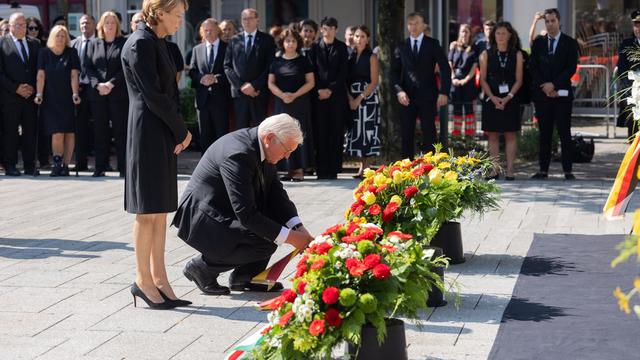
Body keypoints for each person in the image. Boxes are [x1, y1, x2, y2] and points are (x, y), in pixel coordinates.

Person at [173, 114, 314, 295]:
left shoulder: (261, 146)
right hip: (201, 218)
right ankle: (203, 268)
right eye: (287, 150)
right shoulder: (238, 153)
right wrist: (292, 238)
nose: (287, 157)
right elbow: (246, 214)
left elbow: (276, 194)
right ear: (269, 138)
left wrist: (298, 227)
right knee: (266, 239)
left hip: (221, 209)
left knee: (272, 228)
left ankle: (245, 277)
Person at [121, 0, 192, 309]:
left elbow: (170, 93)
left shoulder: (158, 42)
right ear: (159, 12)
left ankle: (160, 279)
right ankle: (142, 280)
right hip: (147, 132)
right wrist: (181, 130)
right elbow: (153, 95)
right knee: (146, 210)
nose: (180, 21)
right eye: (176, 15)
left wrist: (176, 129)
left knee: (160, 210)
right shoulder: (139, 44)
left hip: (161, 129)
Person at [391, 12, 450, 159]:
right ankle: (407, 171)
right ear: (407, 26)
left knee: (429, 133)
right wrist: (399, 91)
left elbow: (445, 68)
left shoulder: (433, 44)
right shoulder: (401, 46)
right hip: (407, 97)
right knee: (406, 134)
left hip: (428, 96)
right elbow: (393, 72)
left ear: (423, 25)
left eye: (417, 23)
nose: (413, 27)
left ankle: (431, 169)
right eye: (410, 23)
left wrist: (444, 92)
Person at [530, 8, 578, 180]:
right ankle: (543, 170)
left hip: (562, 95)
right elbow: (533, 67)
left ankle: (568, 170)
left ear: (559, 22)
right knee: (545, 133)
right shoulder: (538, 43)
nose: (550, 24)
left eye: (553, 21)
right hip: (543, 95)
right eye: (547, 21)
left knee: (565, 133)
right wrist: (545, 86)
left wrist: (554, 85)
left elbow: (571, 68)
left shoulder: (570, 43)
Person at [268, 28, 315, 182]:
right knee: (282, 135)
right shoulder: (276, 61)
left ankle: (299, 170)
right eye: (287, 40)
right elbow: (270, 83)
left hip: (300, 103)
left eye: (293, 41)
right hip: (282, 104)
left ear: (297, 43)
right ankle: (287, 169)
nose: (290, 43)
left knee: (299, 135)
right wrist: (282, 95)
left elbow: (311, 82)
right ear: (282, 43)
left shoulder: (304, 61)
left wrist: (294, 95)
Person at [34, 25, 81, 177]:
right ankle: (57, 163)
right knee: (57, 132)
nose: (60, 38)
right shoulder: (44, 53)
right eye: (58, 35)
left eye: (63, 36)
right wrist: (39, 93)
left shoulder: (71, 52)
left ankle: (66, 165)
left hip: (67, 97)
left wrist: (75, 93)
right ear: (52, 37)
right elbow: (41, 75)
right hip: (51, 97)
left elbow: (74, 75)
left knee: (69, 132)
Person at [85, 11, 128, 177]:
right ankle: (100, 167)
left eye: (113, 22)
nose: (109, 26)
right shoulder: (94, 43)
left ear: (117, 25)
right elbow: (88, 67)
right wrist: (98, 85)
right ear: (101, 25)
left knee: (120, 132)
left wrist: (111, 83)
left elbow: (126, 67)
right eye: (107, 22)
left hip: (118, 94)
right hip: (98, 95)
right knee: (100, 131)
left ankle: (123, 168)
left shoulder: (123, 43)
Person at [480, 21, 523, 181]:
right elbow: (483, 79)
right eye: (498, 33)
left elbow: (519, 79)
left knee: (510, 134)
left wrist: (507, 98)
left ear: (510, 35)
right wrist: (493, 98)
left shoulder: (517, 54)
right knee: (492, 135)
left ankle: (510, 169)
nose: (500, 36)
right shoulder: (486, 54)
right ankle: (494, 169)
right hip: (491, 99)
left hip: (510, 99)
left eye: (504, 33)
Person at [0, 13, 40, 176]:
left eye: (24, 24)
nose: (22, 27)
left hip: (30, 96)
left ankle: (30, 165)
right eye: (18, 24)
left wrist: (32, 88)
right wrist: (16, 88)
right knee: (10, 132)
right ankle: (10, 165)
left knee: (30, 131)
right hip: (10, 97)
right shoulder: (2, 43)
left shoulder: (35, 44)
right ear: (10, 26)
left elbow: (39, 69)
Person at [310, 17, 348, 180]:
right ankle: (321, 169)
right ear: (321, 29)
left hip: (336, 96)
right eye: (325, 28)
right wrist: (319, 89)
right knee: (320, 132)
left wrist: (331, 89)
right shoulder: (313, 48)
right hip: (318, 96)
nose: (328, 30)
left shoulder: (342, 48)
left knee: (336, 131)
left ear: (336, 29)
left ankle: (333, 169)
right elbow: (311, 70)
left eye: (332, 28)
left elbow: (343, 72)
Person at [224, 8, 275, 129]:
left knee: (259, 130)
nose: (247, 21)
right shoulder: (234, 40)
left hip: (258, 93)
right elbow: (227, 66)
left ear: (257, 20)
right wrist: (241, 86)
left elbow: (270, 65)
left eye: (250, 18)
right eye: (244, 19)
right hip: (239, 94)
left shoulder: (267, 40)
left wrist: (254, 86)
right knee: (241, 129)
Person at [189, 18, 230, 153]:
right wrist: (201, 79)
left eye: (211, 30)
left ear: (218, 30)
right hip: (203, 101)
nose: (208, 33)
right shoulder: (197, 49)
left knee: (222, 136)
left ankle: (222, 167)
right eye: (205, 30)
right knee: (204, 136)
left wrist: (216, 79)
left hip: (221, 100)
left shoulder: (227, 48)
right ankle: (206, 168)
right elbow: (192, 71)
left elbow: (232, 71)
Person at [345, 25, 380, 177]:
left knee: (368, 131)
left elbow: (374, 82)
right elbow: (344, 80)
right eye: (357, 36)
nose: (359, 39)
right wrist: (350, 99)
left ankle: (366, 168)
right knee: (357, 132)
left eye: (362, 37)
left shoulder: (371, 57)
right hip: (352, 97)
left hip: (367, 98)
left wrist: (359, 98)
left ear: (368, 39)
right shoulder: (350, 56)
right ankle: (361, 166)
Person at [70, 14, 96, 172]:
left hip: (95, 90)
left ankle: (101, 163)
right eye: (82, 23)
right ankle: (81, 162)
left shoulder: (99, 43)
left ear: (94, 24)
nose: (84, 25)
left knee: (99, 127)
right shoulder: (73, 44)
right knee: (80, 128)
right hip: (78, 90)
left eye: (87, 22)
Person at [449, 24, 478, 137]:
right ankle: (456, 137)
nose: (464, 34)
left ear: (470, 33)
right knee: (456, 109)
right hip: (455, 81)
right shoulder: (454, 46)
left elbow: (475, 66)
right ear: (459, 33)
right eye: (462, 31)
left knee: (469, 109)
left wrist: (465, 80)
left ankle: (469, 137)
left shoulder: (474, 47)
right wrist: (452, 77)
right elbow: (450, 62)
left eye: (466, 31)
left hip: (468, 82)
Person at [616, 10, 640, 139]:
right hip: (633, 94)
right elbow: (622, 70)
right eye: (636, 25)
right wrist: (631, 91)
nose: (638, 28)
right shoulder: (627, 44)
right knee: (634, 131)